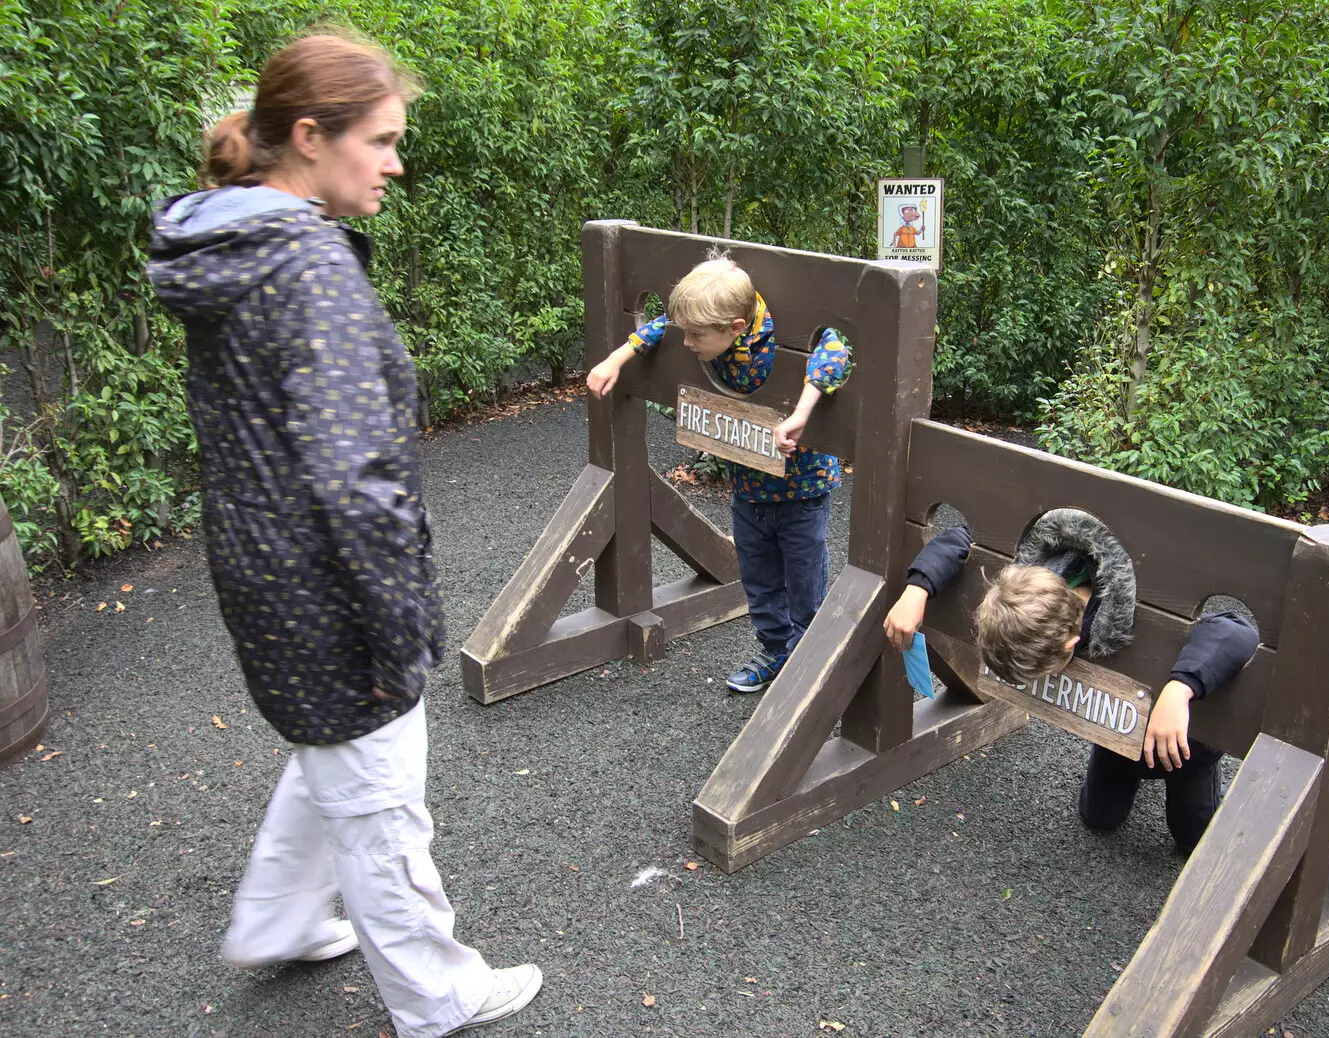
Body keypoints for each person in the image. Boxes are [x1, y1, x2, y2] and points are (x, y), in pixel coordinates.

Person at [146, 32, 539, 1037]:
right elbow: (353, 482)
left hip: (263, 563)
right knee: (380, 791)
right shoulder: (304, 268)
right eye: (384, 141)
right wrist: (400, 626)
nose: (397, 164)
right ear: (312, 137)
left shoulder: (232, 243)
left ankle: (275, 922)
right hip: (323, 586)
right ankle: (436, 994)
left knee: (335, 754)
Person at [882, 509, 1259, 852]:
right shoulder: (1028, 580)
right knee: (1098, 817)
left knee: (1194, 840)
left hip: (1186, 745)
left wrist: (1181, 689)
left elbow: (1238, 629)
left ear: (1072, 645)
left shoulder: (1138, 603)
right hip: (1117, 735)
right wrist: (918, 589)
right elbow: (964, 536)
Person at [586, 253, 851, 693]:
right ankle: (774, 650)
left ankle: (807, 668)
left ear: (735, 328)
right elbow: (660, 329)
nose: (687, 343)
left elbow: (836, 350)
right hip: (746, 485)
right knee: (759, 579)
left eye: (697, 336)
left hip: (802, 488)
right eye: (685, 333)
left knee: (805, 584)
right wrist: (616, 359)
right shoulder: (700, 328)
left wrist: (802, 412)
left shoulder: (790, 335)